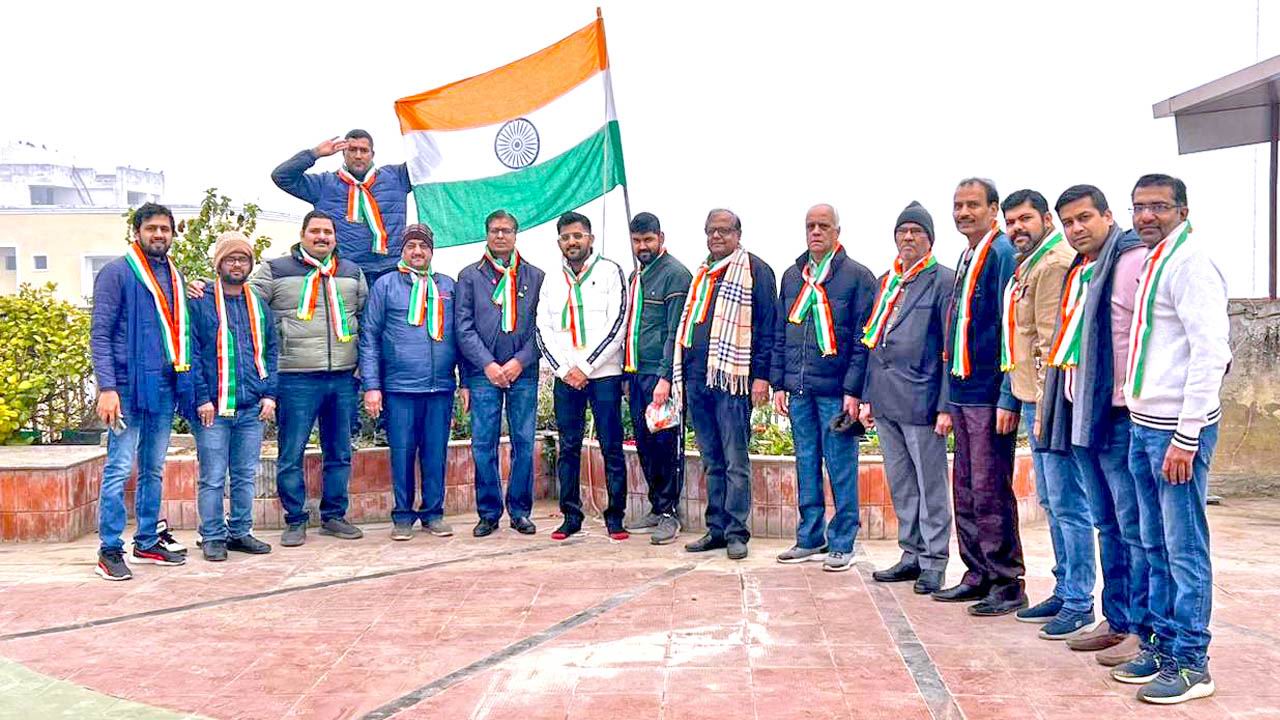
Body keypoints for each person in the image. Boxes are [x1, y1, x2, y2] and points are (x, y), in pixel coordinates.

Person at [1111, 175, 1230, 705]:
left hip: (1176, 433)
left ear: (1183, 210)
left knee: (1184, 548)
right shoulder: (1155, 259)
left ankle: (1192, 662)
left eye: (1158, 207)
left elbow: (1211, 353)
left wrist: (1188, 434)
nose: (1146, 216)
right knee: (1153, 544)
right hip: (1144, 424)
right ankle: (1162, 647)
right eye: (1139, 207)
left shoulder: (1191, 263)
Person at [1038, 184, 1146, 665]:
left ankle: (1141, 628)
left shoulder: (1130, 261)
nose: (1076, 229)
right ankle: (1116, 619)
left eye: (1085, 218)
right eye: (1068, 222)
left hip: (1117, 415)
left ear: (1107, 216)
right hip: (1080, 413)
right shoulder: (1080, 269)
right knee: (1107, 524)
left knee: (1132, 527)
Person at [996, 190, 1091, 638]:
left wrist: (1043, 409)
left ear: (1046, 220)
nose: (1018, 228)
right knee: (1053, 501)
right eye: (1011, 221)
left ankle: (1079, 600)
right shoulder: (1031, 264)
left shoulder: (1053, 265)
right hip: (1036, 398)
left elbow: (1053, 345)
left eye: (1026, 219)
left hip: (1051, 402)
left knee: (1068, 503)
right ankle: (1065, 588)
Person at [933, 178, 1026, 616]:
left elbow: (1011, 326)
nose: (963, 213)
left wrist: (1008, 396)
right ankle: (977, 574)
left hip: (989, 394)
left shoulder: (1001, 253)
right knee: (967, 488)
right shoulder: (968, 254)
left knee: (990, 491)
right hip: (963, 390)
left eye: (973, 205)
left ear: (993, 210)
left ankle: (1006, 582)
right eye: (958, 205)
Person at [249, 210, 367, 547]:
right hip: (294, 376)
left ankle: (334, 515)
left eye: (327, 232)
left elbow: (365, 317)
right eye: (315, 231)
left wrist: (362, 366)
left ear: (335, 237)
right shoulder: (275, 270)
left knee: (340, 451)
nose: (322, 237)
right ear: (302, 235)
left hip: (342, 377)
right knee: (291, 452)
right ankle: (295, 519)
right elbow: (242, 301)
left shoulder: (351, 272)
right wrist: (202, 286)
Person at [89, 202, 194, 580]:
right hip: (126, 389)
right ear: (137, 233)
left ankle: (147, 540)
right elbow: (100, 334)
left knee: (153, 468)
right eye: (151, 228)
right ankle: (109, 549)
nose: (159, 234)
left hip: (163, 387)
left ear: (172, 234)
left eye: (165, 229)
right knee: (119, 468)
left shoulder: (175, 276)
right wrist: (107, 387)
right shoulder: (117, 273)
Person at [770, 204, 876, 572]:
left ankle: (843, 541)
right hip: (800, 390)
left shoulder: (857, 277)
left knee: (841, 464)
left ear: (837, 232)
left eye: (823, 226)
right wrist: (779, 383)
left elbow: (864, 340)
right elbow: (781, 333)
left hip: (838, 393)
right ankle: (809, 536)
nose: (816, 231)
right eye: (810, 226)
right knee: (805, 462)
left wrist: (854, 390)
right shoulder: (792, 276)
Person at [862, 202, 956, 595]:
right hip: (886, 400)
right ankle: (911, 553)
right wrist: (867, 396)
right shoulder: (887, 281)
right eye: (903, 231)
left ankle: (934, 561)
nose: (908, 237)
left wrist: (945, 405)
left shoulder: (943, 280)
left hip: (922, 401)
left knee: (930, 486)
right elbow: (873, 342)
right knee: (902, 484)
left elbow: (950, 348)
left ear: (930, 239)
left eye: (917, 231)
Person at [675, 209, 777, 560]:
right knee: (711, 460)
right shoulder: (703, 273)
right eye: (711, 231)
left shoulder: (755, 270)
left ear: (738, 234)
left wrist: (761, 376)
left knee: (735, 461)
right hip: (698, 378)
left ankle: (736, 532)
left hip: (733, 381)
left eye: (724, 230)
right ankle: (716, 529)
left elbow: (767, 327)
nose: (716, 236)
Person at [359, 224, 466, 541]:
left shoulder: (447, 286)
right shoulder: (386, 285)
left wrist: (465, 382)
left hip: (440, 388)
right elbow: (369, 337)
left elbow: (461, 336)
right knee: (402, 454)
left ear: (431, 251)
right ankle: (403, 517)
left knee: (435, 455)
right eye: (411, 246)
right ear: (402, 250)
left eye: (423, 246)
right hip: (399, 388)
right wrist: (372, 386)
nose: (417, 252)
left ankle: (433, 514)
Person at [535, 212, 629, 540]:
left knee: (611, 445)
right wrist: (565, 370)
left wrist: (586, 367)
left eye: (578, 236)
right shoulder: (552, 279)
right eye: (566, 237)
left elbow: (618, 323)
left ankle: (615, 516)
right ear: (559, 242)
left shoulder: (610, 271)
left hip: (604, 374)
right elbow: (542, 328)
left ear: (590, 239)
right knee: (569, 447)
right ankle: (570, 516)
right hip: (566, 377)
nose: (572, 242)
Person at [455, 210, 545, 537]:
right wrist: (488, 364)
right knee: (483, 444)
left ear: (516, 234)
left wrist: (520, 361)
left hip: (524, 372)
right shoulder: (469, 276)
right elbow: (463, 327)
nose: (500, 236)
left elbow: (543, 327)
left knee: (524, 442)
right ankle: (489, 513)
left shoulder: (536, 276)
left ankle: (520, 511)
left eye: (506, 230)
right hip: (484, 373)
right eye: (495, 230)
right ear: (487, 234)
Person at [188, 231, 277, 561]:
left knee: (244, 476)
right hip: (213, 408)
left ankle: (240, 531)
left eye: (243, 259)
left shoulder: (259, 306)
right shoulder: (201, 302)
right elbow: (193, 353)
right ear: (219, 263)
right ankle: (212, 535)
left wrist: (270, 394)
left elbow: (271, 352)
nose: (237, 265)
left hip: (251, 408)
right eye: (231, 259)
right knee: (213, 477)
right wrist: (201, 398)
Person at [620, 212, 693, 545]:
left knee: (665, 445)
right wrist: (626, 372)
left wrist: (665, 378)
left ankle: (669, 514)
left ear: (661, 238)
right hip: (636, 374)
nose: (642, 246)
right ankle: (655, 506)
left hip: (660, 377)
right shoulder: (636, 275)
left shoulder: (675, 274)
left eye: (648, 239)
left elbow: (674, 331)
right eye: (637, 241)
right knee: (644, 444)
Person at [271, 130, 412, 286]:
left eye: (364, 150)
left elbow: (426, 160)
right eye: (352, 150)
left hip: (392, 270)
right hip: (346, 274)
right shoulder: (324, 184)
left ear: (372, 154)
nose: (358, 155)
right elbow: (282, 177)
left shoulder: (396, 177)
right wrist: (314, 153)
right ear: (343, 153)